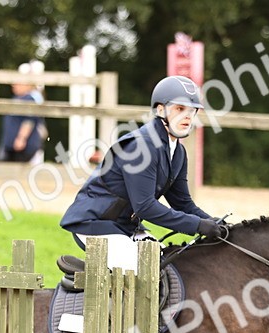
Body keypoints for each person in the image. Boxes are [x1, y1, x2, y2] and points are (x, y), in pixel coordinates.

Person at [59, 75, 227, 258]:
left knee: (166, 261)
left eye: (192, 110)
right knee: (145, 267)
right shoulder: (141, 146)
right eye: (180, 108)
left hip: (125, 226)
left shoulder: (178, 152)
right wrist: (197, 225)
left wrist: (215, 222)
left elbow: (183, 203)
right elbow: (145, 207)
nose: (187, 115)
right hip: (94, 224)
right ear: (161, 110)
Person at [0, 69, 45, 163]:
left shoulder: (29, 99)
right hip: (12, 146)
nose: (14, 85)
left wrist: (21, 138)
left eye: (18, 82)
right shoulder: (17, 98)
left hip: (22, 147)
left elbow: (29, 121)